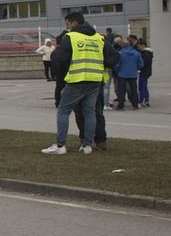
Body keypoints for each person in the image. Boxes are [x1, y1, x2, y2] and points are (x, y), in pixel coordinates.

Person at [43, 10, 116, 154]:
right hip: (95, 80)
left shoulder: (71, 37)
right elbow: (113, 56)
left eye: (68, 24)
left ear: (73, 22)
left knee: (63, 111)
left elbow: (61, 59)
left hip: (77, 79)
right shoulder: (98, 38)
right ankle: (87, 145)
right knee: (90, 112)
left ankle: (60, 145)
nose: (67, 27)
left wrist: (62, 76)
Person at [113, 38, 141, 109]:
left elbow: (117, 65)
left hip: (122, 74)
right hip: (133, 74)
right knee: (134, 90)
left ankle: (121, 105)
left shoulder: (120, 54)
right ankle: (135, 105)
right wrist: (135, 68)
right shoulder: (136, 53)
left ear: (122, 45)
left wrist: (117, 71)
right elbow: (140, 64)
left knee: (121, 91)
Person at [135, 36, 154, 106]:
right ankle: (146, 100)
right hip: (146, 71)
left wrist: (139, 67)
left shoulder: (146, 53)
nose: (138, 48)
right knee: (144, 86)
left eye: (139, 46)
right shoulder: (147, 53)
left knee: (142, 86)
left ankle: (142, 100)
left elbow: (144, 63)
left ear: (143, 45)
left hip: (144, 72)